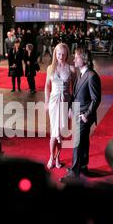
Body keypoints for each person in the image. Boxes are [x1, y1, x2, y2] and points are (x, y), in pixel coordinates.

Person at [61, 48, 101, 180]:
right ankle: (82, 166)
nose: (74, 59)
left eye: (76, 57)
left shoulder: (91, 76)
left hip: (83, 116)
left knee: (77, 143)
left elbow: (96, 99)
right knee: (83, 142)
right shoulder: (81, 74)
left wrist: (86, 115)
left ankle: (74, 174)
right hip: (78, 112)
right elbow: (76, 94)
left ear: (84, 59)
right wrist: (71, 108)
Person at [44, 43, 76, 169]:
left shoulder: (71, 69)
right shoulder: (50, 68)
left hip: (65, 102)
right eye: (58, 54)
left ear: (67, 54)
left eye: (63, 54)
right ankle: (51, 157)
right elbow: (47, 86)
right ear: (55, 54)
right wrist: (46, 102)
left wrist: (72, 107)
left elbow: (74, 90)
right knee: (53, 132)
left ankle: (58, 157)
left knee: (61, 133)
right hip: (53, 102)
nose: (61, 56)